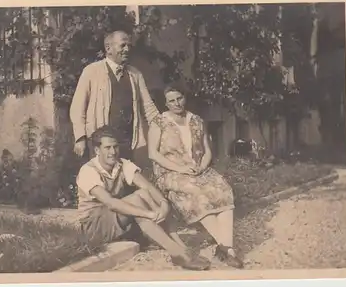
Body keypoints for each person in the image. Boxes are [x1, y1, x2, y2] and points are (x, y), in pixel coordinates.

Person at [76, 125, 211, 270]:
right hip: (94, 226)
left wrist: (163, 203)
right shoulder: (88, 171)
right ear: (97, 150)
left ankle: (182, 247)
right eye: (107, 148)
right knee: (136, 200)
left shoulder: (121, 164)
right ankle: (176, 253)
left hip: (114, 219)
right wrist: (149, 214)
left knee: (143, 194)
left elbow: (147, 186)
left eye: (115, 147)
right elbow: (111, 203)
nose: (113, 152)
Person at [147, 86, 244, 269]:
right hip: (171, 173)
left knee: (222, 189)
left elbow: (207, 150)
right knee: (197, 192)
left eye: (179, 98)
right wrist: (181, 168)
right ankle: (228, 250)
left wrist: (202, 166)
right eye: (172, 100)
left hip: (199, 170)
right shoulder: (158, 122)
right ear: (166, 103)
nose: (177, 103)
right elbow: (153, 154)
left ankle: (225, 248)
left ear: (185, 97)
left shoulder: (197, 120)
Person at [69, 30, 159, 163]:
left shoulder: (135, 74)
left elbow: (149, 107)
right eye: (123, 45)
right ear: (108, 48)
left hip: (127, 140)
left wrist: (166, 128)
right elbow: (77, 107)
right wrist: (80, 138)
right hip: (99, 142)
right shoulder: (92, 71)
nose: (127, 49)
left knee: (125, 178)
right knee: (102, 179)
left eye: (129, 46)